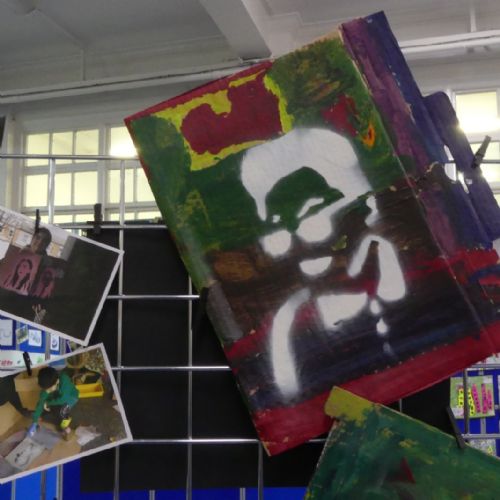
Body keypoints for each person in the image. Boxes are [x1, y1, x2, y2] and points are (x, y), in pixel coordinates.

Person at [27, 366, 79, 440]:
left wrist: (47, 403)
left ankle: (65, 426)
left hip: (70, 397)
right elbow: (40, 403)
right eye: (46, 389)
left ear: (57, 381)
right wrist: (34, 421)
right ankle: (50, 410)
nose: (47, 391)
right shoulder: (47, 388)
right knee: (45, 405)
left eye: (50, 388)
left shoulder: (64, 380)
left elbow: (63, 399)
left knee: (62, 412)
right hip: (57, 396)